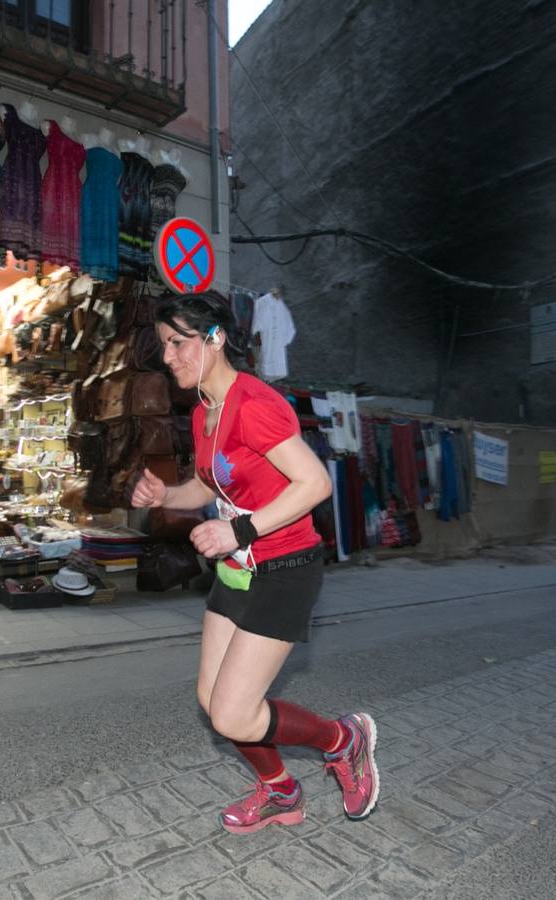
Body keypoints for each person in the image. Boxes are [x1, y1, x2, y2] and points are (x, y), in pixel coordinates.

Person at [130, 290, 378, 834]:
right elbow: (208, 483)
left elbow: (314, 483)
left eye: (177, 343)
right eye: (164, 346)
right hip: (239, 568)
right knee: (211, 698)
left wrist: (237, 528)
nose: (167, 356)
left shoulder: (255, 404)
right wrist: (165, 497)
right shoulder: (204, 412)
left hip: (285, 569)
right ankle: (281, 793)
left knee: (233, 713)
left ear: (214, 338)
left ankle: (345, 741)